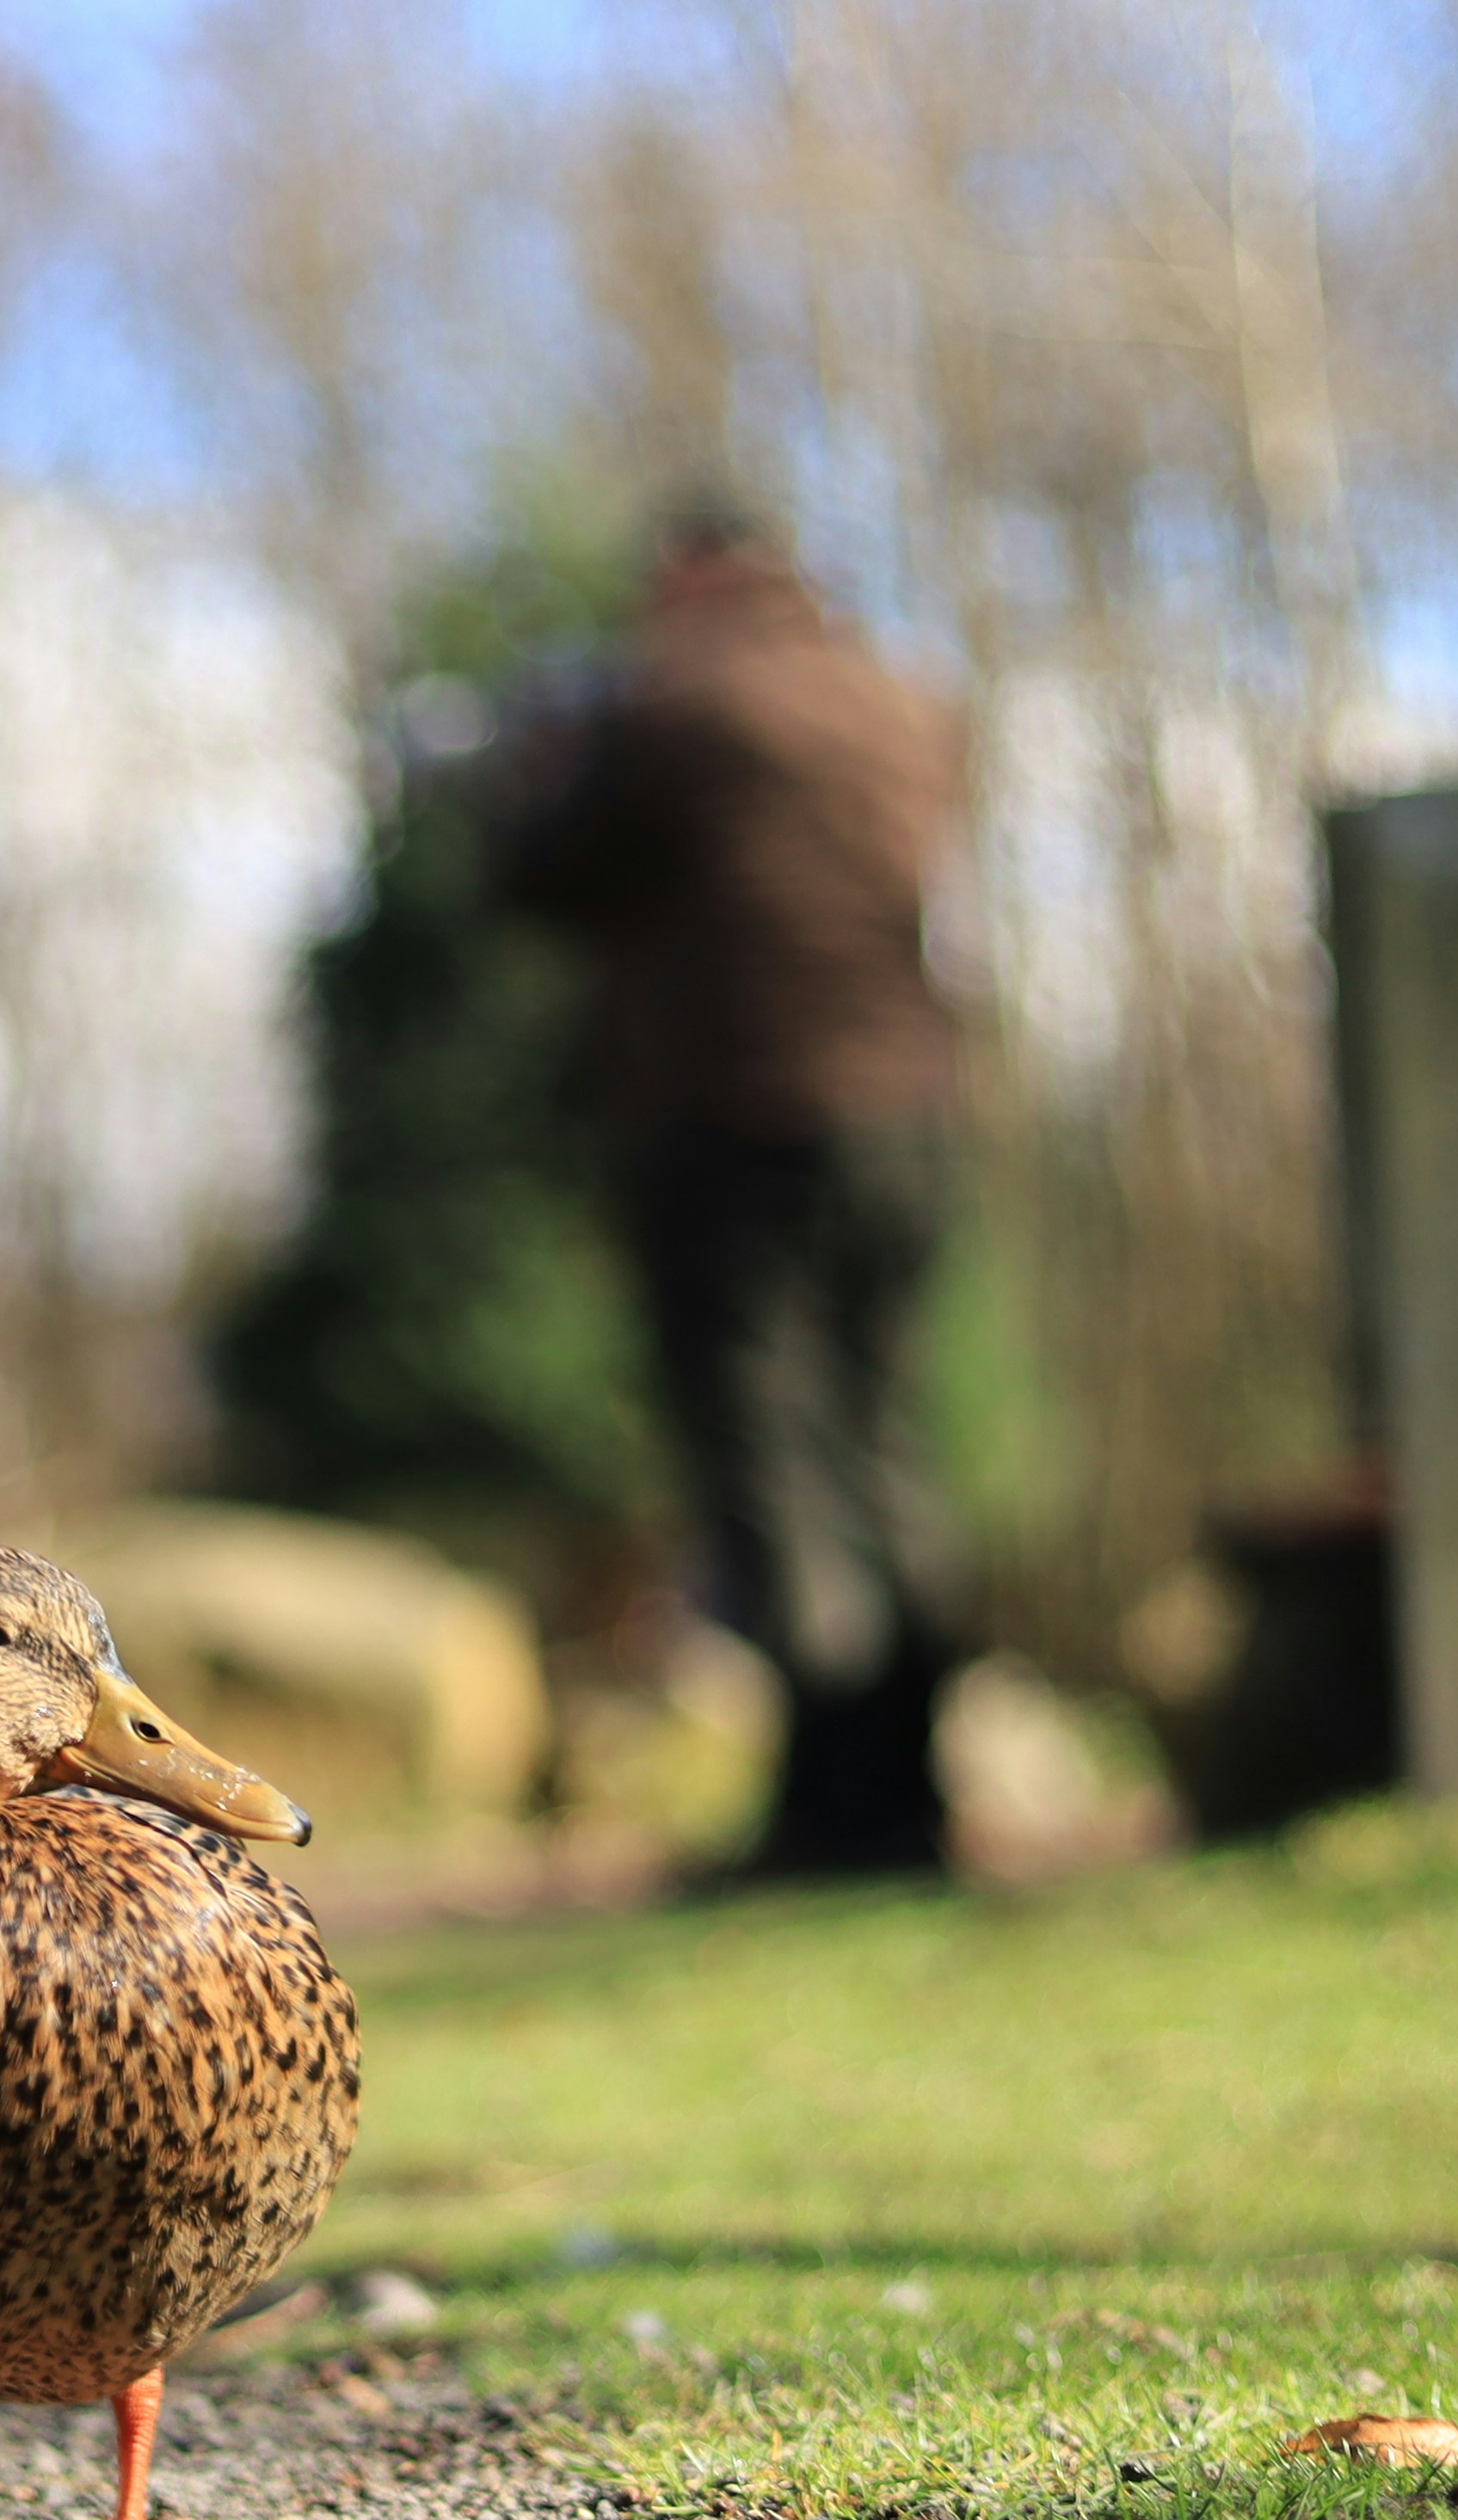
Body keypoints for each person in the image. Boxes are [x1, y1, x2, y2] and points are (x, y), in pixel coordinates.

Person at [495, 501, 978, 1873]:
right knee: (887, 1448)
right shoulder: (903, 700)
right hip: (910, 1116)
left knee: (774, 1465)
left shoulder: (673, 708)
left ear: (693, 578)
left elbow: (538, 868)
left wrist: (542, 760)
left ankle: (836, 1812)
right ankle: (912, 1797)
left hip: (737, 1118)